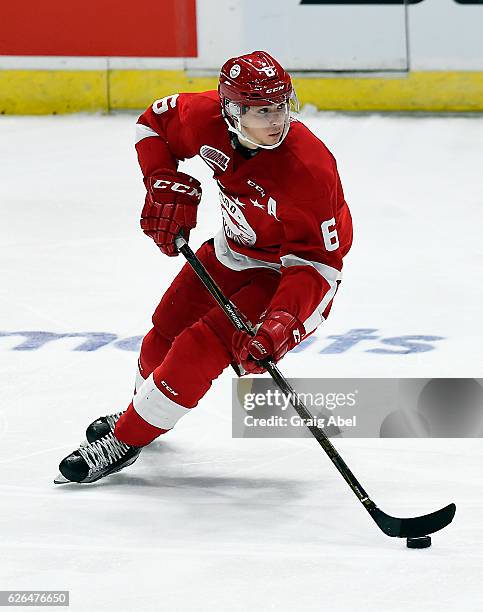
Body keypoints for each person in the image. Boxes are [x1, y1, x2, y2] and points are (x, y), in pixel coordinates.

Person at [55, 50, 353, 484]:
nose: (276, 120)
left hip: (288, 273)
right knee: (166, 328)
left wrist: (282, 322)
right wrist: (159, 179)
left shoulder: (309, 169)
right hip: (233, 248)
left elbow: (318, 264)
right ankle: (142, 414)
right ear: (231, 111)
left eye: (281, 105)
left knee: (199, 346)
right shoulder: (204, 118)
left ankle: (126, 439)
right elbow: (153, 124)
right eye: (261, 110)